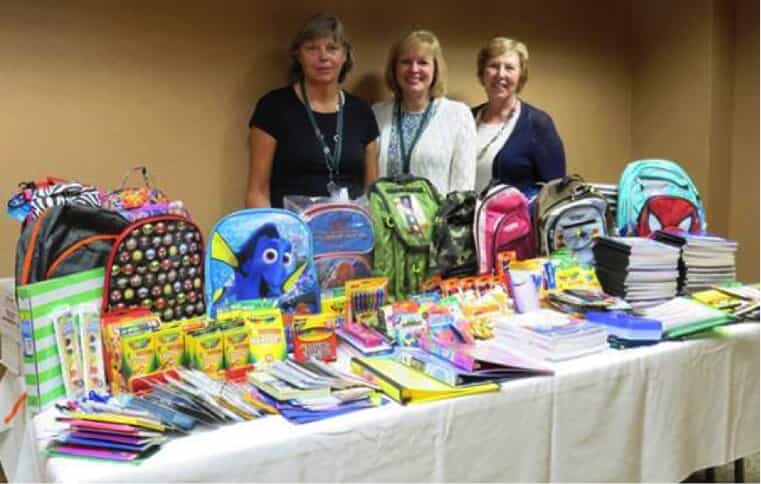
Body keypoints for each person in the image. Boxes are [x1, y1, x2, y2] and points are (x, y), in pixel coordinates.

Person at [245, 14, 380, 208]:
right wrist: (275, 235)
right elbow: (257, 191)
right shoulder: (273, 107)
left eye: (332, 48)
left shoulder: (362, 112)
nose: (323, 57)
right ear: (298, 56)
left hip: (351, 232)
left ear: (345, 56)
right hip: (292, 232)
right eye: (311, 48)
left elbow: (371, 191)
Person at [373, 30, 476, 195]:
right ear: (394, 68)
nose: (414, 69)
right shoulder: (377, 114)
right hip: (383, 219)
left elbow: (463, 191)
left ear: (436, 68)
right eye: (406, 62)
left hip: (437, 220)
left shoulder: (459, 116)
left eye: (423, 62)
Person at [472, 37, 566, 197]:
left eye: (509, 68)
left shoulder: (538, 124)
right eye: (494, 66)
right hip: (461, 219)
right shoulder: (466, 118)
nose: (501, 74)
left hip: (513, 221)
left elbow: (556, 191)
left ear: (520, 76)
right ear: (483, 72)